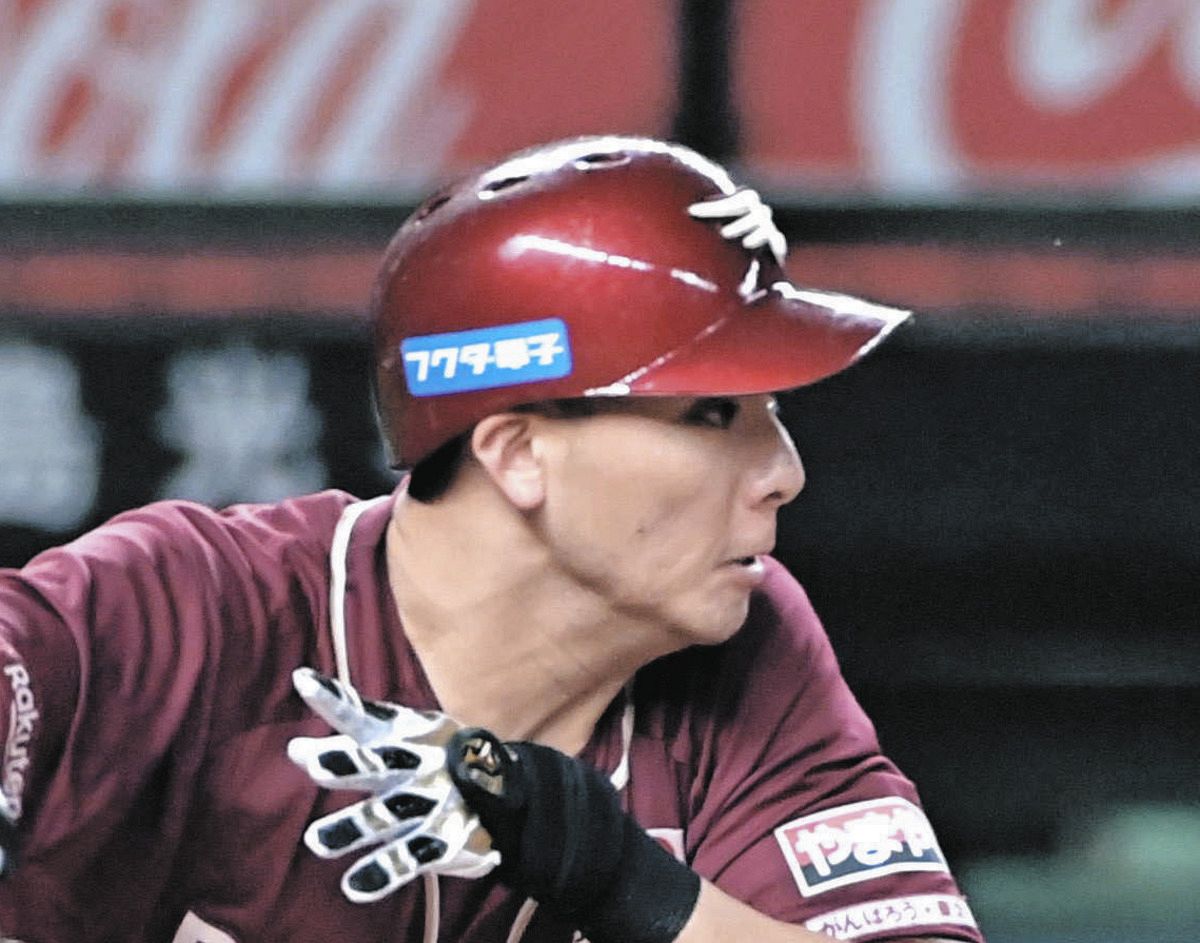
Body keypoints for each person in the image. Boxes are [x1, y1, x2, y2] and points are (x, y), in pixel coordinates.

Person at [0, 136, 985, 942]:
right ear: (517, 453)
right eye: (712, 415)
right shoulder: (197, 610)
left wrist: (630, 884)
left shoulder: (745, 651)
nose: (784, 472)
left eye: (772, 413)